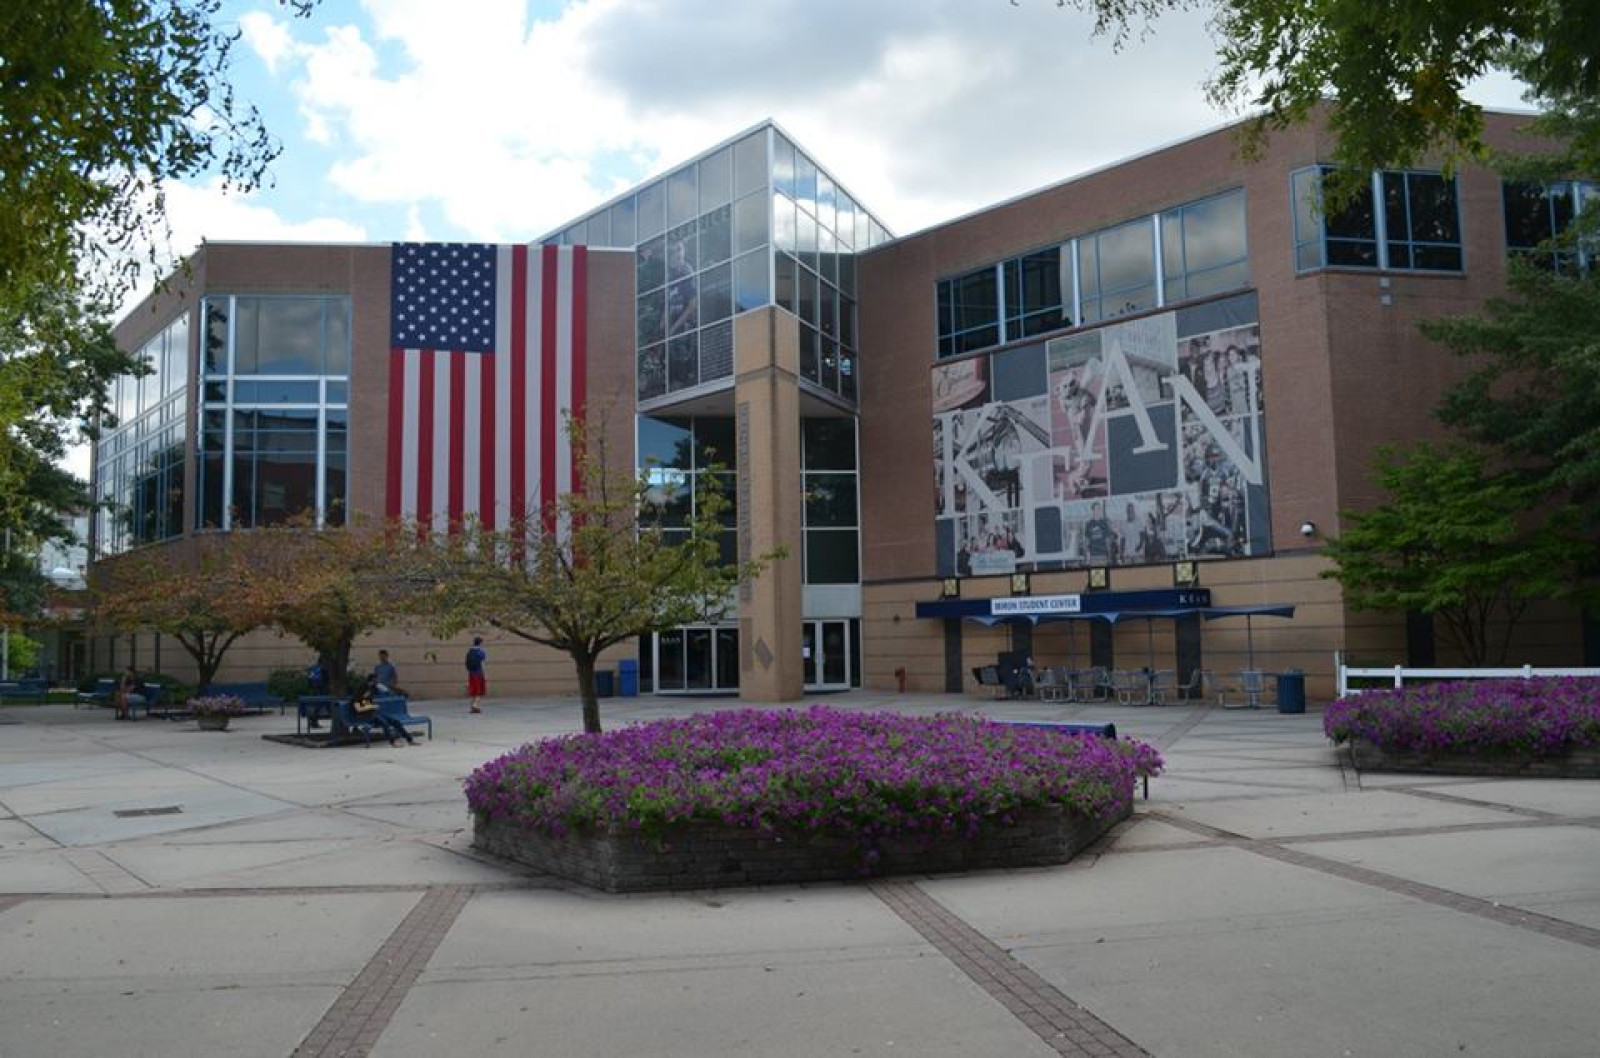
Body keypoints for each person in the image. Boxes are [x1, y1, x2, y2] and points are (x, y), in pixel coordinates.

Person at [350, 674, 416, 746]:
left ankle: (410, 740)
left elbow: (384, 691)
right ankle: (393, 742)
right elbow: (358, 709)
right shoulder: (357, 697)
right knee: (385, 723)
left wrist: (372, 706)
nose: (368, 693)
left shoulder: (370, 692)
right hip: (365, 716)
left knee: (395, 721)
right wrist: (371, 706)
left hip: (374, 713)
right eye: (374, 682)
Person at [465, 636, 488, 713]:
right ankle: (475, 705)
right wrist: (485, 675)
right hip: (479, 674)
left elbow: (467, 664)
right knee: (479, 691)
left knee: (473, 692)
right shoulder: (481, 652)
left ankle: (473, 708)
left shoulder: (469, 652)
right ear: (480, 643)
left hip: (471, 674)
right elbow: (482, 664)